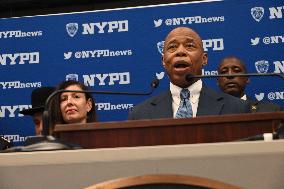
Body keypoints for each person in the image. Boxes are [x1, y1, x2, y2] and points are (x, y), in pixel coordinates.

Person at [128, 27, 250, 120]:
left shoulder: (237, 108)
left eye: (190, 46)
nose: (180, 51)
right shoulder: (139, 114)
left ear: (204, 59)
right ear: (163, 61)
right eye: (172, 47)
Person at [217, 56, 282, 112]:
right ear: (217, 81)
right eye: (224, 72)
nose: (230, 75)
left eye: (236, 70)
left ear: (247, 79)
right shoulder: (208, 112)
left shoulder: (271, 110)